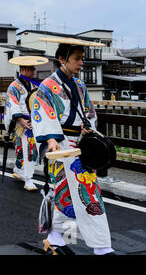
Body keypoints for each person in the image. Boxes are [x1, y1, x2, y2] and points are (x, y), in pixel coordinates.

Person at [32, 37, 114, 255]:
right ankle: (61, 239)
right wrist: (50, 140)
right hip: (60, 144)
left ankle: (74, 241)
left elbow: (89, 115)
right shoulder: (47, 86)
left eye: (82, 59)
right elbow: (42, 115)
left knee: (86, 192)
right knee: (63, 192)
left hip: (79, 145)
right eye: (77, 59)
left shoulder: (80, 85)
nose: (81, 63)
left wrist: (88, 129)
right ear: (62, 59)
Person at [3, 56, 49, 191]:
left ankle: (19, 170)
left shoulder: (35, 84)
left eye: (33, 68)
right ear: (22, 70)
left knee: (26, 149)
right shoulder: (14, 86)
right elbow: (11, 103)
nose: (33, 71)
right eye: (30, 69)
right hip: (21, 121)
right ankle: (28, 179)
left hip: (34, 120)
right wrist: (20, 119)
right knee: (28, 149)